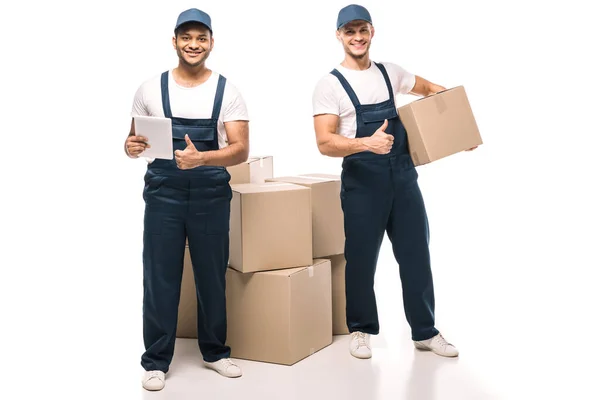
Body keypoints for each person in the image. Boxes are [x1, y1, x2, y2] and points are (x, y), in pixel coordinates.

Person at [312, 4, 477, 360]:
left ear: (372, 31)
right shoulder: (329, 85)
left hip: (403, 178)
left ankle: (425, 331)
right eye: (349, 31)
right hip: (362, 182)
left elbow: (434, 90)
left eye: (362, 30)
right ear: (339, 35)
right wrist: (365, 144)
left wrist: (457, 129)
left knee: (416, 253)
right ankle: (360, 329)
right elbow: (324, 142)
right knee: (361, 259)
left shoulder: (392, 73)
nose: (357, 37)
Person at [125, 8, 249, 391]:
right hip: (163, 193)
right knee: (160, 276)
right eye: (186, 37)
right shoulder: (149, 89)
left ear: (211, 42)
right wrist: (130, 148)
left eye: (201, 38)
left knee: (211, 275)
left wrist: (203, 158)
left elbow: (242, 149)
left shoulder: (227, 90)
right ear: (175, 41)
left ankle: (215, 352)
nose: (193, 44)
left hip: (211, 193)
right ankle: (156, 361)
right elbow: (133, 141)